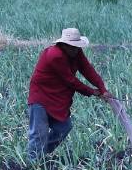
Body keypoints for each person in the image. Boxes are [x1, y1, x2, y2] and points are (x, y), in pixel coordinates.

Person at [26, 27, 111, 161]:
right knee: (38, 134)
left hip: (57, 97)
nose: (75, 49)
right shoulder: (55, 55)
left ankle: (41, 155)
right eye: (72, 46)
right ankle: (32, 165)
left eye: (76, 46)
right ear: (63, 44)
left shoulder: (76, 52)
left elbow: (88, 70)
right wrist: (94, 92)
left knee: (64, 127)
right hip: (41, 96)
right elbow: (71, 80)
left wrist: (103, 89)